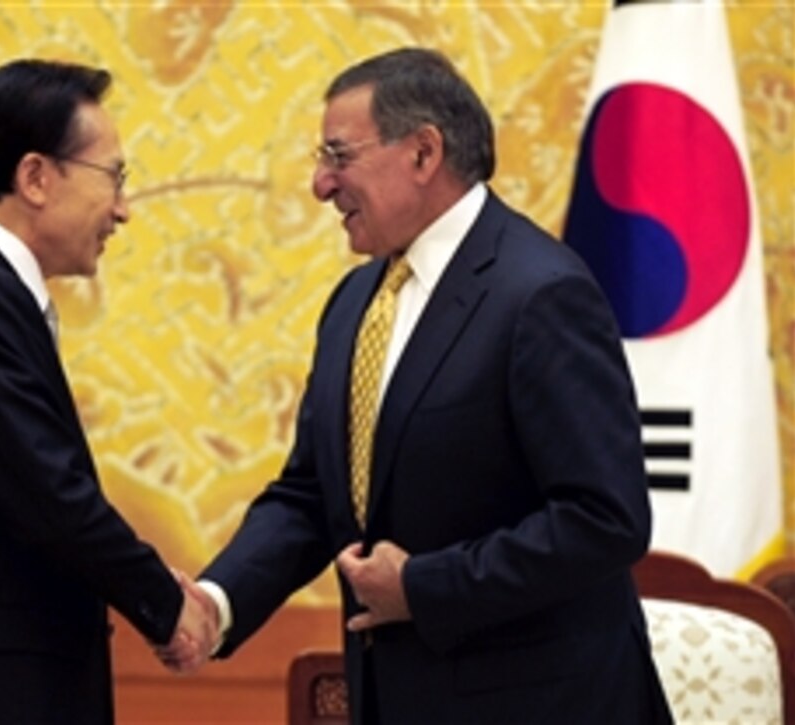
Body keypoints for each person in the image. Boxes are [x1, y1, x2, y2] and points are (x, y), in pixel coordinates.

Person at [185, 48, 673, 723]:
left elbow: (605, 519)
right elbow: (310, 496)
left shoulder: (540, 292)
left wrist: (423, 585)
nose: (320, 185)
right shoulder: (355, 300)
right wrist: (215, 602)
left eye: (338, 155)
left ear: (422, 153)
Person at [0, 59, 213, 724]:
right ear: (35, 177)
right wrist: (165, 606)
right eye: (113, 177)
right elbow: (51, 493)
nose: (122, 209)